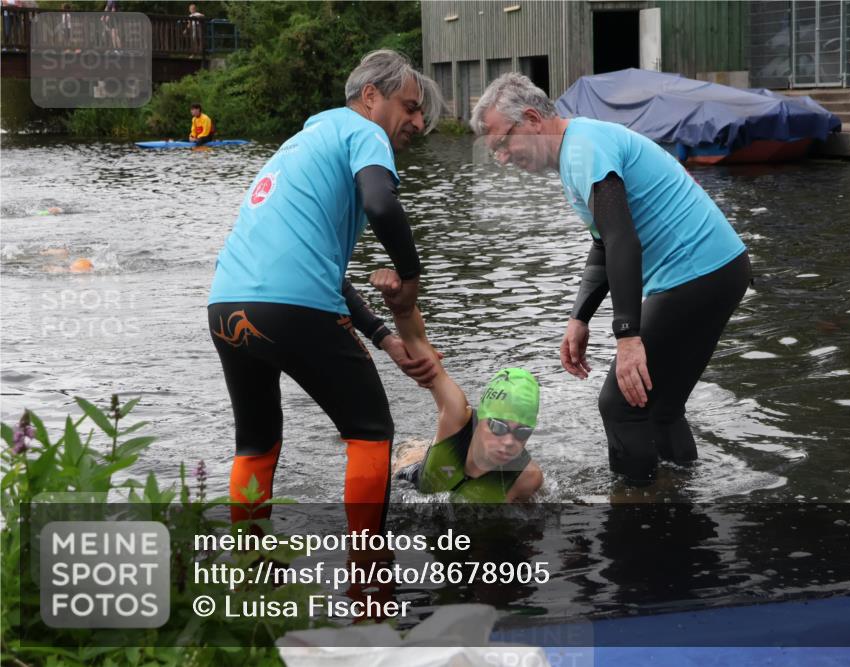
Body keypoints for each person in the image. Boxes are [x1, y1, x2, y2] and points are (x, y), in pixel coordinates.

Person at [470, 73, 752, 486]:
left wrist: (627, 337)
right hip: (719, 269)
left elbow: (622, 239)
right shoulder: (578, 150)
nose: (502, 158)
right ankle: (681, 497)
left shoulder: (584, 149)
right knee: (660, 407)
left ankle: (633, 512)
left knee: (620, 404)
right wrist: (579, 317)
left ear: (531, 119)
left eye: (502, 143)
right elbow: (605, 243)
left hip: (695, 273)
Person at [207, 50, 443, 533]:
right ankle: (368, 584)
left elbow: (321, 270)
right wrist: (410, 277)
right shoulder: (365, 131)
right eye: (411, 106)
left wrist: (384, 337)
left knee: (256, 443)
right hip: (294, 307)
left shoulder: (305, 140)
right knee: (371, 432)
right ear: (371, 96)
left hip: (226, 305)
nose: (418, 122)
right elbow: (381, 203)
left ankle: (250, 572)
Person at [369, 269, 543, 503]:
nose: (510, 442)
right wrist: (400, 303)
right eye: (499, 427)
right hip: (413, 479)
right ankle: (418, 448)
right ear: (482, 418)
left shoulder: (526, 479)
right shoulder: (456, 417)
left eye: (522, 431)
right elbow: (417, 341)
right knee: (403, 459)